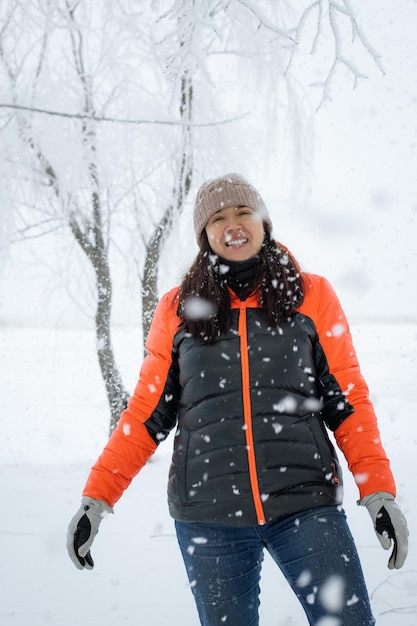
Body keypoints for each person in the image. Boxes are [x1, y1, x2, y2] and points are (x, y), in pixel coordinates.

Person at [67, 173, 408, 625]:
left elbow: (348, 403)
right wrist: (96, 499)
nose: (233, 225)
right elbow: (145, 416)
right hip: (209, 518)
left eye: (244, 213)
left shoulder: (313, 296)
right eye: (218, 218)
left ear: (264, 222)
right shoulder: (177, 309)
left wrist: (379, 492)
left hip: (304, 505)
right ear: (204, 235)